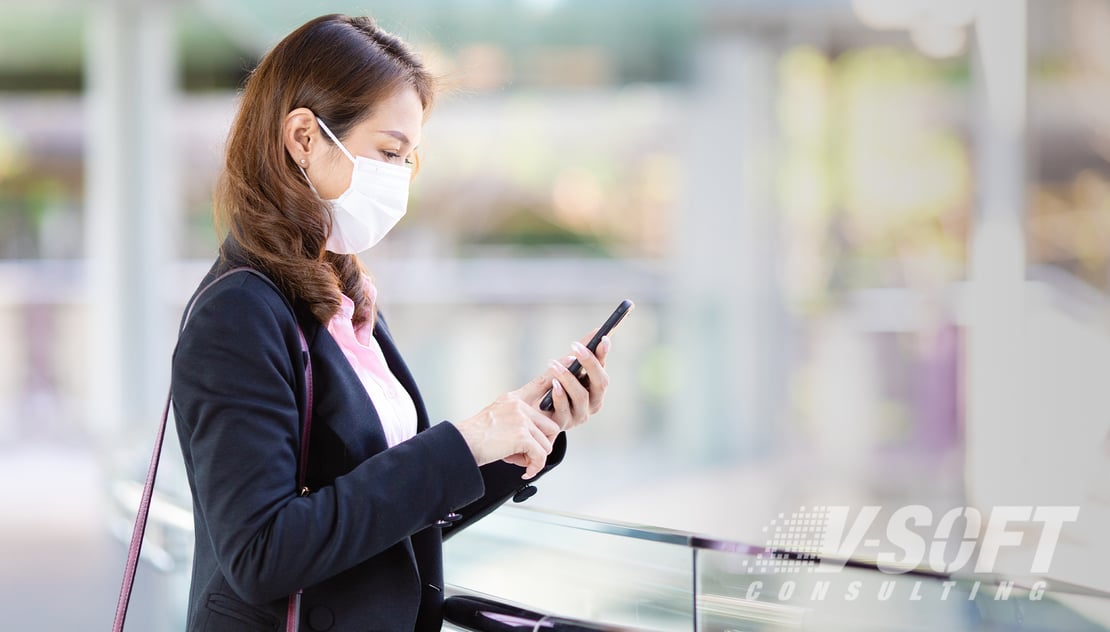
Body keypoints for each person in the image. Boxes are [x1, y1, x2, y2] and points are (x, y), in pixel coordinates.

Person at [170, 14, 612, 632]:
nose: (400, 177)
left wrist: (521, 432)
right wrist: (463, 442)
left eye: (408, 159)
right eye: (388, 152)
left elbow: (387, 515)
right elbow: (261, 553)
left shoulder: (342, 299)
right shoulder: (239, 312)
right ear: (304, 137)